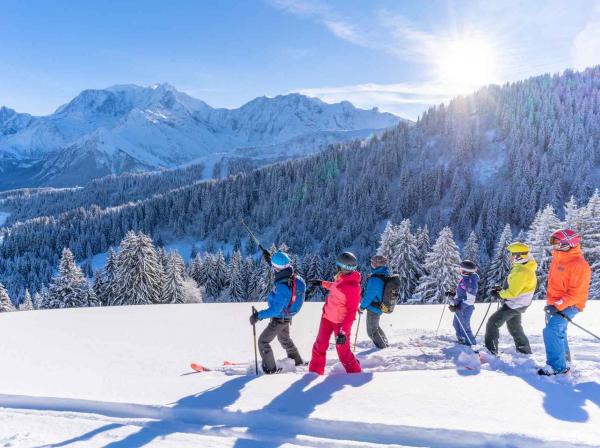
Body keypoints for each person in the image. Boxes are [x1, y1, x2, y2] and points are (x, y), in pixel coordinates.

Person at [538, 229, 591, 376]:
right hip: (554, 303)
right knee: (559, 331)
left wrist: (557, 305)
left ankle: (557, 367)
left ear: (569, 244)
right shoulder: (559, 257)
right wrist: (552, 303)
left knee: (552, 331)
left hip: (571, 304)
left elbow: (577, 293)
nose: (554, 246)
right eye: (553, 243)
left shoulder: (580, 265)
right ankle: (565, 361)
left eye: (557, 243)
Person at [250, 251, 305, 374]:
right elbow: (279, 268)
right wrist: (270, 259)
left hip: (279, 318)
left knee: (263, 342)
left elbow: (275, 310)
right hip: (286, 316)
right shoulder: (291, 274)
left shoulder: (282, 287)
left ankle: (270, 369)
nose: (273, 269)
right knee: (284, 339)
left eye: (274, 266)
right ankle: (297, 361)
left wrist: (258, 316)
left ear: (278, 268)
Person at [308, 252, 362, 375]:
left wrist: (343, 332)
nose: (336, 267)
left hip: (340, 323)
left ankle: (356, 374)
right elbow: (335, 287)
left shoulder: (353, 287)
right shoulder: (342, 277)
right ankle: (314, 373)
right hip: (327, 317)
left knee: (343, 352)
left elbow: (351, 312)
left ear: (343, 267)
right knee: (319, 346)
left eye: (338, 265)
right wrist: (322, 283)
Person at [484, 242, 536, 356]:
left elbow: (512, 292)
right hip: (519, 304)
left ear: (518, 256)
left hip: (514, 304)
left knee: (492, 323)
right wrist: (502, 290)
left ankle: (490, 351)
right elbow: (516, 287)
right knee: (514, 326)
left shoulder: (521, 271)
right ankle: (524, 351)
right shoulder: (524, 267)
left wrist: (499, 294)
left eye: (511, 254)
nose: (509, 256)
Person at [359, 255, 390, 349]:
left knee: (371, 331)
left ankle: (383, 349)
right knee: (375, 327)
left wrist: (362, 307)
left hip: (374, 307)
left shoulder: (375, 279)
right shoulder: (383, 274)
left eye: (373, 262)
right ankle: (385, 344)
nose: (371, 264)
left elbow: (369, 295)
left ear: (377, 264)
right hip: (379, 306)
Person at [448, 260, 479, 346]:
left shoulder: (471, 282)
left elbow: (470, 299)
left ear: (466, 271)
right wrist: (453, 294)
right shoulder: (465, 279)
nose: (459, 270)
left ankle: (470, 343)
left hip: (466, 307)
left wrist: (459, 306)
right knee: (456, 324)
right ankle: (461, 339)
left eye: (461, 269)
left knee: (464, 326)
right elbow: (462, 292)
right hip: (460, 306)